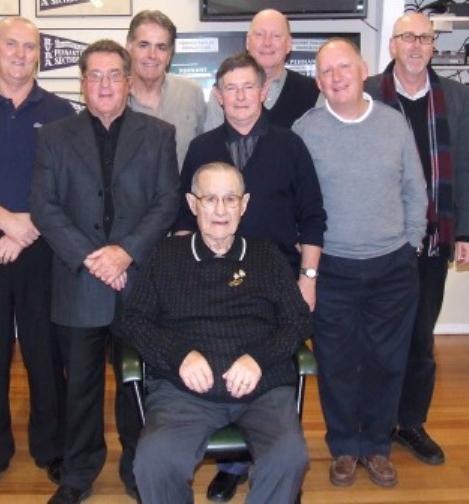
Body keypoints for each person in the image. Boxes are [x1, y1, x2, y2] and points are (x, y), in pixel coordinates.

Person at [30, 39, 180, 504]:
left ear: (129, 81)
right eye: (95, 75)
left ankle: (138, 469)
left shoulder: (158, 134)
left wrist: (125, 253)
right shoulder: (53, 137)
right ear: (82, 84)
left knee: (137, 388)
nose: (105, 84)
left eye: (114, 74)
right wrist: (96, 258)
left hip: (138, 286)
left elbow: (166, 202)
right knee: (81, 391)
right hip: (79, 283)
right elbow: (45, 207)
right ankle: (78, 475)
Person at [172, 51, 325, 502]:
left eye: (248, 87)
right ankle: (233, 464)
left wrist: (308, 278)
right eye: (230, 88)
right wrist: (185, 279)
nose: (239, 96)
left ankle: (277, 466)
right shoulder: (202, 148)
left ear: (264, 91)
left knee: (268, 371)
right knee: (221, 368)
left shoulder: (290, 145)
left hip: (275, 285)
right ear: (218, 97)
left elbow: (312, 217)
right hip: (212, 285)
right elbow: (186, 216)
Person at [123, 161, 311, 504]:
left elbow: (299, 321)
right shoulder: (165, 256)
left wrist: (258, 359)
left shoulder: (267, 257)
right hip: (183, 394)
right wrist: (179, 354)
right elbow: (133, 320)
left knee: (289, 457)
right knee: (154, 461)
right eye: (210, 199)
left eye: (230, 199)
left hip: (262, 390)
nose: (221, 210)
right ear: (194, 205)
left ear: (245, 204)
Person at [293, 38, 428, 488]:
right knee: (336, 363)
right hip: (332, 270)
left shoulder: (393, 123)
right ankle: (346, 447)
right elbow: (297, 201)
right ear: (318, 81)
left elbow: (415, 189)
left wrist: (409, 244)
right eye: (326, 71)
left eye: (343, 67)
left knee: (387, 361)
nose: (336, 77)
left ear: (363, 69)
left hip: (392, 268)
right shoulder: (306, 129)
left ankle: (377, 447)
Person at [0, 16, 75, 497]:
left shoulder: (62, 111)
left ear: (39, 54)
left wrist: (27, 229)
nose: (21, 54)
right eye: (12, 45)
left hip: (44, 247)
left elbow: (68, 186)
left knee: (46, 353)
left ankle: (52, 449)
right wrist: (7, 221)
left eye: (30, 46)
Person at [364, 12, 469, 466]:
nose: (417, 45)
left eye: (425, 38)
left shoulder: (456, 96)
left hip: (433, 238)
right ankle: (375, 423)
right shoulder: (368, 93)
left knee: (420, 339)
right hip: (379, 241)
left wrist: (463, 229)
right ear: (392, 45)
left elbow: (464, 164)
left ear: (432, 46)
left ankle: (410, 422)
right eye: (408, 36)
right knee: (377, 337)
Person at [204, 8, 319, 132]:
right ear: (248, 42)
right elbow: (213, 147)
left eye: (276, 35)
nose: (267, 43)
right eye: (259, 35)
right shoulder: (223, 91)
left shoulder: (313, 91)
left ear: (288, 44)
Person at [126, 9, 206, 168]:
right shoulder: (115, 98)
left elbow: (205, 151)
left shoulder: (191, 93)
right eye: (144, 45)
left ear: (169, 55)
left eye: (161, 47)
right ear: (129, 48)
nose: (152, 55)